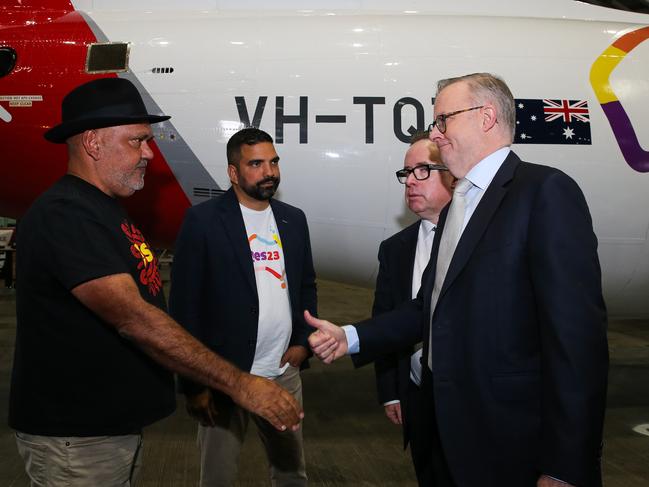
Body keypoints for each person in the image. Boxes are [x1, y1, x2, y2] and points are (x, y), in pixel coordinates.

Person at [307, 73, 608, 487]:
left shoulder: (545, 192)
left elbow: (576, 342)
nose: (435, 133)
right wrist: (350, 338)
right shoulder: (456, 207)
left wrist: (564, 466)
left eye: (443, 120)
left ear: (486, 117)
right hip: (448, 437)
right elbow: (428, 307)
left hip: (514, 446)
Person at [8, 78, 302, 487]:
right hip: (77, 440)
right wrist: (239, 384)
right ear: (93, 143)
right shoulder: (67, 215)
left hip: (108, 430)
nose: (150, 153)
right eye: (138, 141)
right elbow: (136, 319)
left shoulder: (105, 209)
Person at [169, 127, 317, 487]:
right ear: (233, 173)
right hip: (225, 377)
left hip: (282, 372)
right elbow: (185, 307)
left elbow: (305, 285)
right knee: (217, 477)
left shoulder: (292, 219)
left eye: (273, 162)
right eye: (256, 164)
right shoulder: (202, 222)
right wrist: (194, 385)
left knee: (291, 474)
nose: (269, 172)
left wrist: (301, 341)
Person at [373, 131, 452, 486]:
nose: (410, 182)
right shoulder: (394, 249)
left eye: (423, 170)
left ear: (451, 172)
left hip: (470, 400)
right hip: (418, 397)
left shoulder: (480, 237)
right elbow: (386, 320)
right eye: (407, 173)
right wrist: (392, 389)